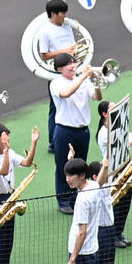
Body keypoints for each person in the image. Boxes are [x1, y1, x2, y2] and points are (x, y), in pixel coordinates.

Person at [0, 122, 40, 264]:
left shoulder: (10, 152)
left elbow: (27, 162)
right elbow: (3, 170)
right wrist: (7, 152)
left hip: (10, 199)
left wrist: (34, 142)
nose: (7, 137)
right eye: (4, 135)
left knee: (8, 241)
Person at [96, 102, 132, 247]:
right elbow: (119, 143)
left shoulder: (118, 126)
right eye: (112, 108)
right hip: (113, 174)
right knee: (116, 205)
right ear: (104, 114)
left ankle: (118, 233)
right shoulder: (104, 133)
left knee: (125, 204)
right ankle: (112, 236)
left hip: (126, 169)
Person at [50, 53, 102, 212]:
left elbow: (97, 97)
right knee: (64, 166)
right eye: (69, 64)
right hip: (65, 131)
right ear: (60, 69)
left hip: (83, 130)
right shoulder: (56, 83)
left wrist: (96, 80)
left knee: (80, 164)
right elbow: (66, 93)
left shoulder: (84, 80)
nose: (73, 66)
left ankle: (77, 196)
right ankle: (64, 200)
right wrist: (84, 76)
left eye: (73, 63)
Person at [64, 157, 101, 264]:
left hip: (81, 255)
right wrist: (72, 160)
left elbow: (82, 232)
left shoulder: (82, 200)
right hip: (91, 251)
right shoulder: (94, 186)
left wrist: (72, 259)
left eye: (72, 176)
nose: (68, 179)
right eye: (67, 175)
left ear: (82, 176)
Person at [39, 0, 81, 150]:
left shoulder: (67, 27)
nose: (64, 15)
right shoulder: (45, 31)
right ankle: (53, 142)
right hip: (55, 73)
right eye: (62, 13)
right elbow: (44, 55)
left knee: (73, 102)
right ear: (53, 14)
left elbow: (71, 46)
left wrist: (75, 50)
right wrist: (64, 51)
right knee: (55, 107)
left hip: (71, 69)